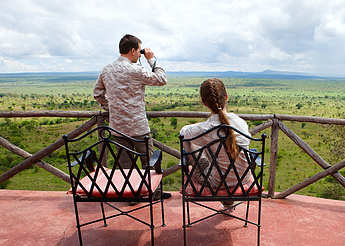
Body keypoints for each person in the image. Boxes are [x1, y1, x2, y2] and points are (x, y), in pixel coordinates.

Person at [93, 34, 171, 201]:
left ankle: (131, 196)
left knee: (126, 167)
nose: (140, 55)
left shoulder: (106, 70)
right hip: (138, 127)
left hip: (117, 127)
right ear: (133, 50)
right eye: (139, 51)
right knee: (149, 164)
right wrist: (152, 60)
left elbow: (98, 94)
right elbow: (162, 79)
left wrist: (112, 107)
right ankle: (154, 194)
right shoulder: (136, 70)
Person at [179, 78, 252, 212]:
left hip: (216, 182)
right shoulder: (241, 123)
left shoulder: (206, 128)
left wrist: (199, 126)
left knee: (189, 142)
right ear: (226, 97)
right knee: (223, 156)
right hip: (243, 178)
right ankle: (229, 204)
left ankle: (227, 202)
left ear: (204, 103)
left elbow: (183, 133)